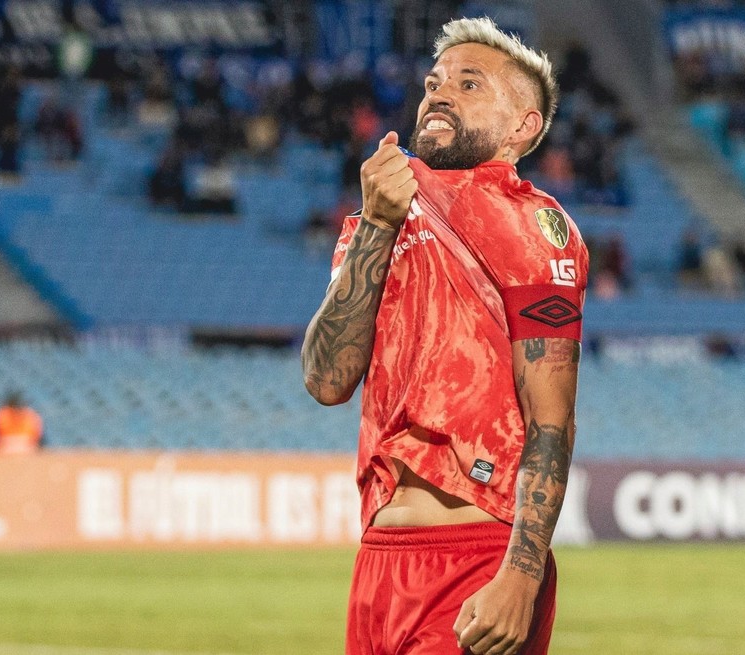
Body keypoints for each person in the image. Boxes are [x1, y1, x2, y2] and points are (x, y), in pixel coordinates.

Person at [301, 17, 587, 655]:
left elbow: (552, 418)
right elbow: (325, 379)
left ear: (522, 127)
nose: (439, 94)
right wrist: (377, 224)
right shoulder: (379, 216)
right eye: (433, 83)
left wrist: (521, 575)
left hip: (477, 554)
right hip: (378, 559)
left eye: (469, 84)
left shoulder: (534, 225)